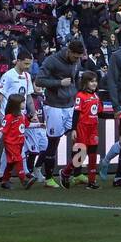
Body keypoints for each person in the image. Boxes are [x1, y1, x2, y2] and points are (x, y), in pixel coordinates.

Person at [34, 38, 86, 188]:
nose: (77, 59)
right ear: (68, 51)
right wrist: (58, 83)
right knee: (53, 141)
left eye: (79, 57)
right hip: (54, 106)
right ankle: (49, 177)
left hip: (70, 105)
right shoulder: (52, 60)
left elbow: (75, 79)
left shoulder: (76, 61)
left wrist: (76, 93)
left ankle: (76, 173)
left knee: (80, 138)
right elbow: (39, 81)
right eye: (75, 56)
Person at [63, 71, 103, 187]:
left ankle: (92, 181)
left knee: (93, 154)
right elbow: (76, 113)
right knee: (81, 155)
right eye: (91, 81)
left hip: (93, 129)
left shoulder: (96, 96)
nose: (94, 83)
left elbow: (99, 113)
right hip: (82, 128)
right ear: (85, 83)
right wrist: (74, 129)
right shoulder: (80, 95)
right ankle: (66, 172)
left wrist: (116, 115)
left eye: (95, 81)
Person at [0, 94, 38, 190]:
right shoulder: (8, 117)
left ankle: (4, 181)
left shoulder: (22, 115)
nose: (24, 104)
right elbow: (2, 130)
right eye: (22, 102)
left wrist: (39, 124)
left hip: (19, 143)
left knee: (11, 163)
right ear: (16, 104)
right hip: (10, 144)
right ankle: (24, 180)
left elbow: (27, 125)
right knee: (19, 159)